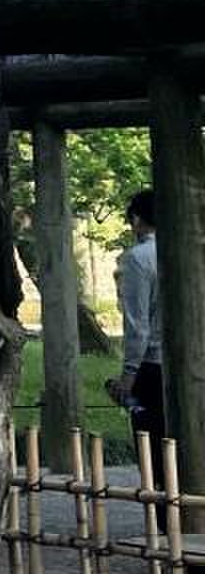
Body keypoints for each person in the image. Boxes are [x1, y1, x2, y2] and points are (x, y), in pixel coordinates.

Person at [113, 189, 165, 448]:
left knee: (151, 443)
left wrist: (128, 375)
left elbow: (138, 325)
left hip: (152, 366)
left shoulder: (137, 259)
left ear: (135, 220)